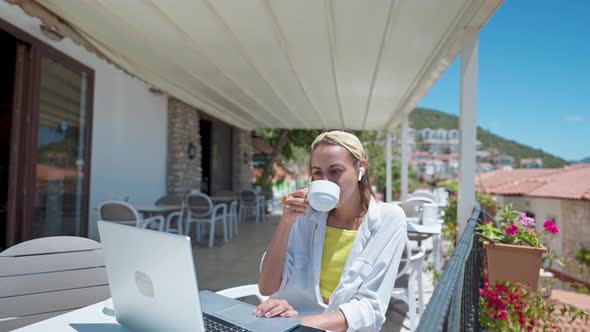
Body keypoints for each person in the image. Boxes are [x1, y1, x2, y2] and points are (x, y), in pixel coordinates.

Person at [257, 131, 407, 331]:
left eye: (335, 171)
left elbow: (370, 308)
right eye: (317, 173)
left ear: (360, 168)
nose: (325, 181)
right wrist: (285, 223)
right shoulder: (305, 217)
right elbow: (267, 287)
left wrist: (297, 323)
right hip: (292, 323)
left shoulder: (388, 219)